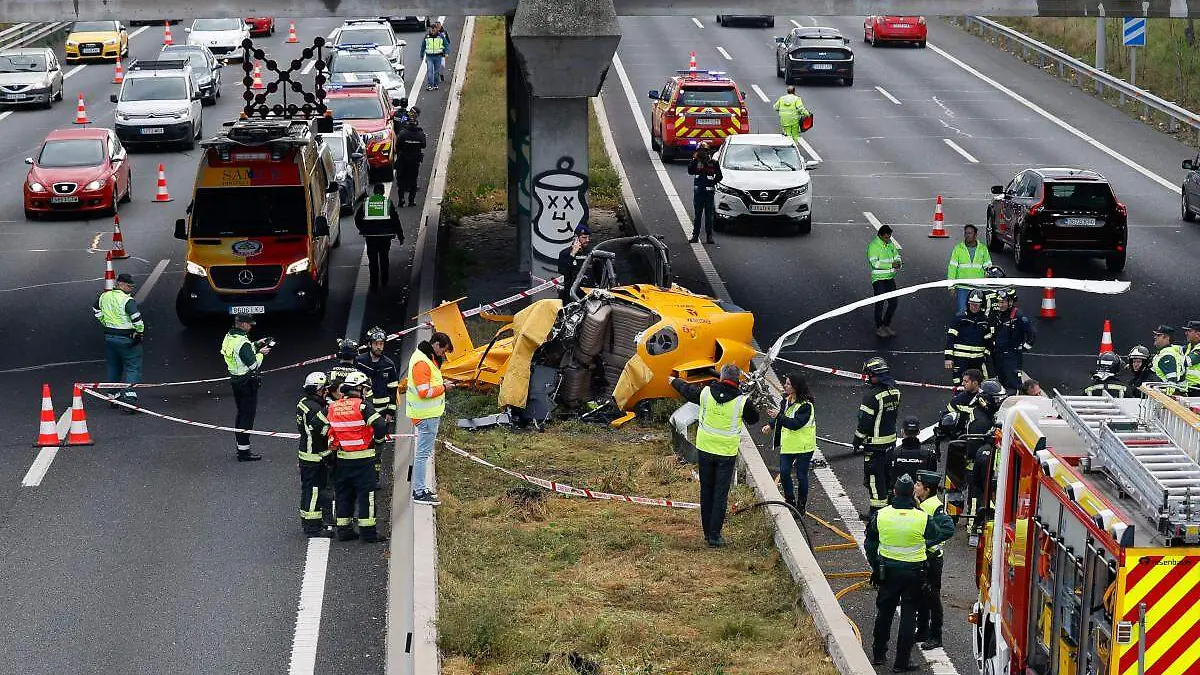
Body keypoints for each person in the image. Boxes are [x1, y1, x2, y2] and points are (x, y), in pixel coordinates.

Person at [866, 474, 951, 672]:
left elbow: (870, 542)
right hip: (914, 573)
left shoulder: (882, 515)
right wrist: (919, 509)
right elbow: (937, 533)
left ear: (894, 492)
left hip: (888, 572)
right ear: (913, 493)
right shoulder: (921, 517)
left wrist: (875, 565)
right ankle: (902, 663)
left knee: (884, 613)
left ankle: (879, 654)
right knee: (908, 616)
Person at [670, 364, 760, 547]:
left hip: (705, 450)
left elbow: (688, 390)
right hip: (726, 454)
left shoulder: (705, 394)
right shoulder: (742, 401)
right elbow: (754, 419)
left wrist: (673, 381)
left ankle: (706, 532)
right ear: (738, 381)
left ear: (721, 378)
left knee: (706, 491)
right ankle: (714, 535)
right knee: (720, 494)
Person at [328, 371, 390, 542]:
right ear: (360, 388)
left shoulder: (333, 407)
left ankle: (344, 529)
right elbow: (380, 425)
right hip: (363, 459)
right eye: (365, 389)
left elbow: (329, 432)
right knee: (366, 495)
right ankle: (368, 533)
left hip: (342, 459)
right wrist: (377, 441)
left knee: (343, 494)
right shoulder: (362, 406)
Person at [407, 331, 456, 506]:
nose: (442, 355)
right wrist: (444, 387)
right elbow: (424, 392)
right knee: (422, 455)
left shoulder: (425, 357)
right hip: (426, 416)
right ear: (436, 345)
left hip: (426, 415)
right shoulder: (422, 363)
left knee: (423, 454)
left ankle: (421, 489)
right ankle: (419, 492)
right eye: (443, 351)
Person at [761, 372, 816, 515]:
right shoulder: (786, 401)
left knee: (801, 475)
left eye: (788, 384)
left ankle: (801, 506)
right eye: (785, 383)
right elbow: (782, 415)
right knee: (784, 473)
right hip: (789, 445)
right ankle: (790, 502)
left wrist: (778, 416)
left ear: (796, 387)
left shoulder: (806, 406)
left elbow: (795, 424)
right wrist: (771, 424)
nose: (785, 386)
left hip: (804, 447)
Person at [854, 357, 902, 518]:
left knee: (874, 480)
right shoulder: (895, 391)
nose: (868, 378)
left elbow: (864, 422)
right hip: (890, 444)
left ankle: (876, 514)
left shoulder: (871, 396)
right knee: (888, 477)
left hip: (874, 446)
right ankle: (889, 508)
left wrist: (857, 439)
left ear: (876, 375)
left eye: (869, 375)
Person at [221, 314, 272, 462]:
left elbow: (240, 353)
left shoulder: (230, 337)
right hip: (247, 382)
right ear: (242, 324)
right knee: (247, 417)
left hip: (236, 381)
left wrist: (256, 345)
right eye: (249, 324)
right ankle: (244, 452)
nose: (251, 326)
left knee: (241, 414)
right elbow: (253, 365)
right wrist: (261, 354)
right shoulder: (242, 343)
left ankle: (241, 447)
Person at [913, 470, 954, 651]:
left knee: (932, 598)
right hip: (923, 558)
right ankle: (922, 630)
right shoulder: (922, 503)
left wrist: (927, 543)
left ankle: (936, 636)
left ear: (927, 489)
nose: (915, 487)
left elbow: (947, 529)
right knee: (921, 595)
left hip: (932, 560)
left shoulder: (934, 507)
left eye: (918, 485)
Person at [962, 379, 1004, 544]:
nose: (999, 402)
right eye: (996, 399)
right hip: (977, 463)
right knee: (976, 495)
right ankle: (974, 528)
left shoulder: (982, 413)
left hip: (981, 460)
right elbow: (974, 448)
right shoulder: (982, 422)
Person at [93, 273, 145, 406]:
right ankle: (129, 396)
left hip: (110, 337)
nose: (131, 289)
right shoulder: (127, 300)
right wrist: (139, 332)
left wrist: (104, 321)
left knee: (114, 366)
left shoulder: (104, 296)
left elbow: (96, 309)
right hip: (127, 338)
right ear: (121, 284)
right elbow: (136, 319)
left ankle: (113, 395)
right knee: (133, 366)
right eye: (129, 286)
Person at [296, 371, 334, 538]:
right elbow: (322, 433)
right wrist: (328, 454)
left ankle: (307, 520)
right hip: (315, 456)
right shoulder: (316, 409)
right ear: (318, 389)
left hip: (305, 453)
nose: (326, 391)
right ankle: (312, 527)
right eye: (324, 389)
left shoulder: (303, 403)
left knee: (307, 489)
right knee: (314, 491)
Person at [355, 184, 405, 292]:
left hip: (371, 237)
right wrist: (400, 236)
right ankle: (384, 281)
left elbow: (357, 218)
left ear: (374, 192)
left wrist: (363, 229)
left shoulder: (366, 202)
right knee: (384, 258)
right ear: (382, 192)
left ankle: (374, 284)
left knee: (372, 260)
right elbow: (395, 220)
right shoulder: (387, 202)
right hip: (385, 237)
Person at [945, 290, 994, 386]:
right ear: (968, 303)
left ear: (981, 305)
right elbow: (950, 338)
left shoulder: (985, 321)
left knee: (978, 385)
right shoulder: (959, 318)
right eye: (972, 304)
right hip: (960, 360)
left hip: (977, 361)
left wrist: (985, 356)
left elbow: (989, 341)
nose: (974, 307)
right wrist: (948, 358)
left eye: (977, 304)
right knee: (959, 384)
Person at [990, 287, 1035, 390]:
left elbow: (1031, 335)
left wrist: (1022, 348)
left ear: (1010, 302)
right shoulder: (997, 315)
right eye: (999, 302)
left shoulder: (1018, 317)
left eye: (1003, 302)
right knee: (999, 384)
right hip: (997, 356)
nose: (1001, 305)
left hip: (1012, 358)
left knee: (1013, 384)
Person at [946, 224, 992, 315]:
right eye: (966, 233)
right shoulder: (958, 249)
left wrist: (986, 281)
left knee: (979, 312)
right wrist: (951, 287)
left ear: (975, 235)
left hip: (978, 288)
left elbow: (988, 267)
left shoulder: (983, 249)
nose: (967, 235)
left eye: (970, 233)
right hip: (963, 287)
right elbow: (952, 269)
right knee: (962, 312)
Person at [866, 224, 902, 338]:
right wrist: (891, 264)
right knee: (880, 304)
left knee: (893, 303)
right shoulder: (873, 246)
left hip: (890, 278)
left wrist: (898, 263)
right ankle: (879, 327)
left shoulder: (890, 244)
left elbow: (897, 256)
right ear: (880, 236)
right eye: (886, 237)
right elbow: (875, 264)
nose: (888, 239)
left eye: (889, 237)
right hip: (879, 279)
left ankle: (886, 324)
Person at [687, 141, 722, 244]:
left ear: (708, 152)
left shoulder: (714, 162)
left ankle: (709, 236)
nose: (702, 153)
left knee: (709, 216)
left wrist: (712, 183)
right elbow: (690, 171)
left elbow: (720, 176)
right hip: (698, 193)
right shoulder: (695, 162)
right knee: (697, 216)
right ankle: (695, 236)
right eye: (700, 151)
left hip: (709, 194)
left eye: (704, 151)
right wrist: (694, 160)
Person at [891, 416, 937, 486]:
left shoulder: (892, 453)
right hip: (920, 495)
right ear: (918, 432)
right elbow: (932, 482)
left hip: (896, 495)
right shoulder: (929, 456)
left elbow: (886, 477)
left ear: (902, 431)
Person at [395, 116, 427, 207]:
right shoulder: (420, 134)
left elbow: (398, 146)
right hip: (415, 161)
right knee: (413, 180)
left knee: (401, 180)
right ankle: (411, 201)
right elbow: (424, 145)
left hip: (403, 161)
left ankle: (401, 200)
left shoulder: (402, 133)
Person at [556, 223, 593, 302]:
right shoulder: (565, 253)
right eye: (584, 237)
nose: (587, 240)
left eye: (588, 237)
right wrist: (572, 254)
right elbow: (563, 271)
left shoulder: (591, 253)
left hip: (588, 294)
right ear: (576, 238)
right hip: (571, 294)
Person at [1150, 325, 1186, 395]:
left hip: (1167, 398)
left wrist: (1166, 396)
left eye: (1158, 335)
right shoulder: (1163, 352)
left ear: (1166, 337)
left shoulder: (1167, 355)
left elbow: (1172, 382)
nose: (1155, 337)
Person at [420, 23, 448, 91]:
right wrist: (422, 54)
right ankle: (430, 85)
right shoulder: (427, 37)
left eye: (434, 30)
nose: (432, 31)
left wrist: (446, 52)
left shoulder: (440, 36)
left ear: (436, 30)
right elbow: (423, 46)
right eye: (431, 30)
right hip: (429, 56)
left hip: (438, 56)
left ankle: (436, 84)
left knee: (436, 72)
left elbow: (445, 44)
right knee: (430, 71)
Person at [1183, 320, 1200, 396]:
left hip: (1198, 389)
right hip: (1189, 387)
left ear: (1198, 334)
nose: (1186, 333)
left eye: (1189, 331)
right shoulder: (1189, 346)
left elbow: (1187, 362)